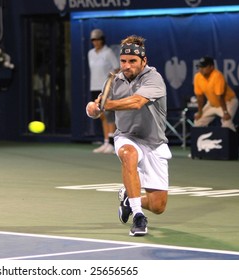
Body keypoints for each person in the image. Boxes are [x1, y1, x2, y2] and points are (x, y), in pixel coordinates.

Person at [86, 35, 172, 236]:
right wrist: (92, 109)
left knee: (158, 205)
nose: (127, 66)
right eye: (123, 61)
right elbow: (96, 107)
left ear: (144, 61)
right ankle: (138, 216)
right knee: (129, 154)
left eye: (132, 61)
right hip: (126, 136)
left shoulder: (154, 78)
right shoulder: (115, 81)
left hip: (154, 142)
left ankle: (129, 199)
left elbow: (136, 102)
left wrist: (106, 105)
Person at [88, 28, 119, 154]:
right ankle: (106, 141)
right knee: (101, 116)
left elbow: (117, 68)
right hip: (94, 87)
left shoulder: (108, 52)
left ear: (102, 40)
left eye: (98, 39)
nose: (96, 42)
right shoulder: (90, 53)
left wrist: (110, 81)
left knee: (109, 115)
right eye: (93, 40)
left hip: (106, 88)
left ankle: (112, 143)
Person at [193, 56, 238, 131]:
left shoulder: (217, 75)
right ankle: (203, 142)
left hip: (228, 102)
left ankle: (234, 141)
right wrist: (200, 112)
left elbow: (220, 97)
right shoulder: (197, 77)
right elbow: (199, 97)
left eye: (204, 67)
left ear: (211, 67)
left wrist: (225, 112)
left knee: (227, 124)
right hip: (212, 104)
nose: (201, 69)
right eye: (200, 67)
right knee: (198, 122)